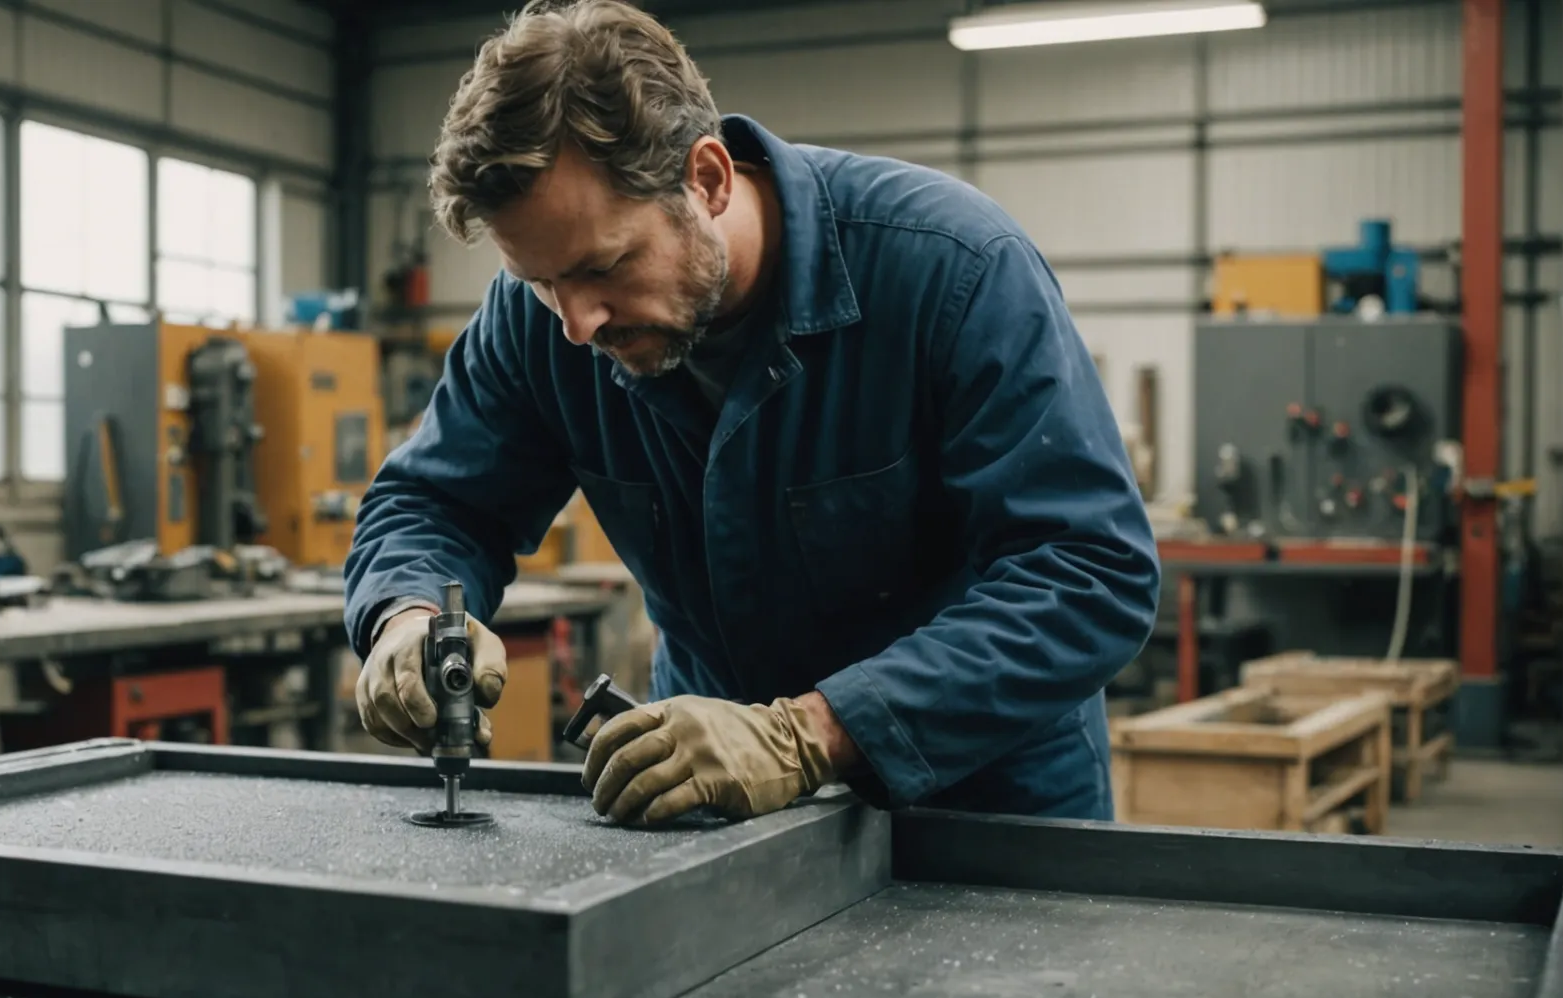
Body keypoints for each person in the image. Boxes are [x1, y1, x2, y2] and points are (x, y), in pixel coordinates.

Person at [344, 0, 1160, 827]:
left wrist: (808, 735)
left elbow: (1088, 573)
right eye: (540, 282)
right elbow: (437, 501)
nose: (577, 324)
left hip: (985, 806)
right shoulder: (545, 321)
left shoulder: (953, 273)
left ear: (707, 179)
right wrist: (406, 617)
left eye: (606, 266)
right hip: (707, 795)